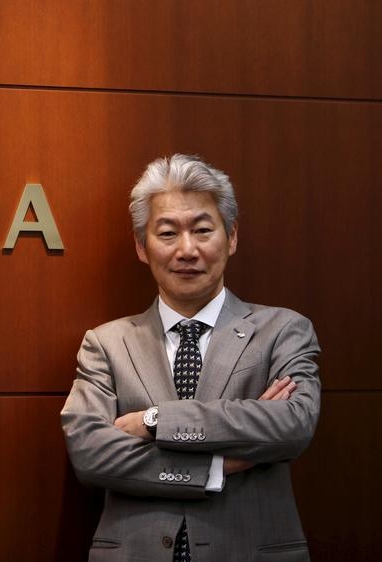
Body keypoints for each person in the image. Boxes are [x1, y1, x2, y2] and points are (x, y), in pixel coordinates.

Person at [61, 154, 320, 562]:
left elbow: (293, 423)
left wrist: (156, 421)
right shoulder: (106, 344)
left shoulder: (283, 330)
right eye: (167, 233)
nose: (187, 249)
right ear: (141, 246)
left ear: (231, 237)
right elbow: (91, 453)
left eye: (202, 230)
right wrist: (217, 467)